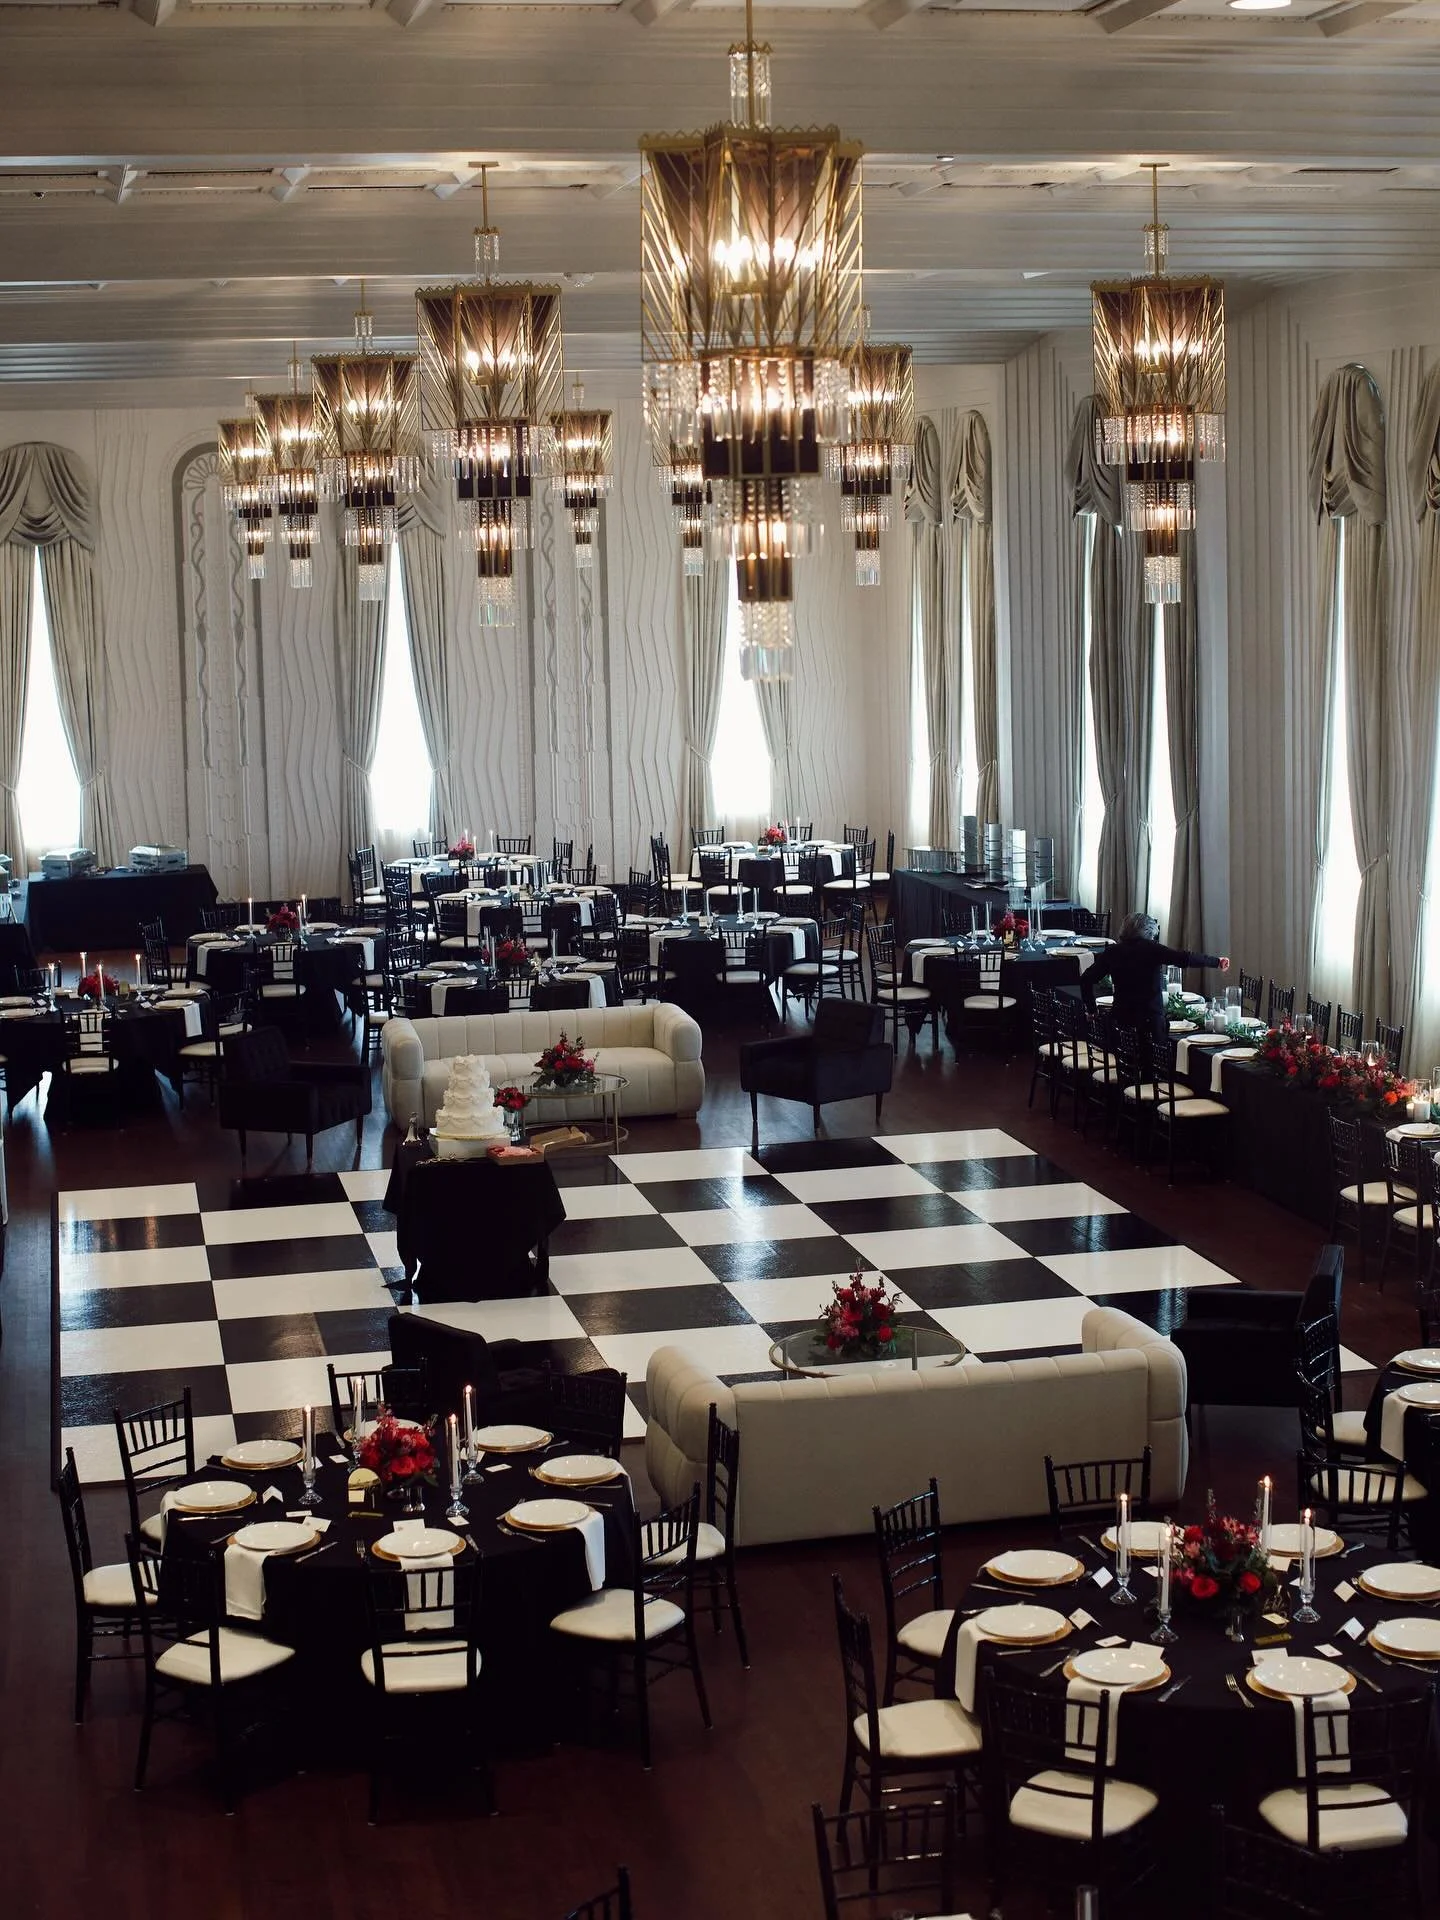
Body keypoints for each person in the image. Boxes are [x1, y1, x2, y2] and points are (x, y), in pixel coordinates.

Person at [1081, 912, 1230, 1046]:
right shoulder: (1152, 949)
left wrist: (1092, 1009)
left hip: (1121, 1023)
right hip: (1150, 1026)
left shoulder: (1112, 951)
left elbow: (1086, 979)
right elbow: (1184, 958)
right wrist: (1216, 961)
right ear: (1149, 933)